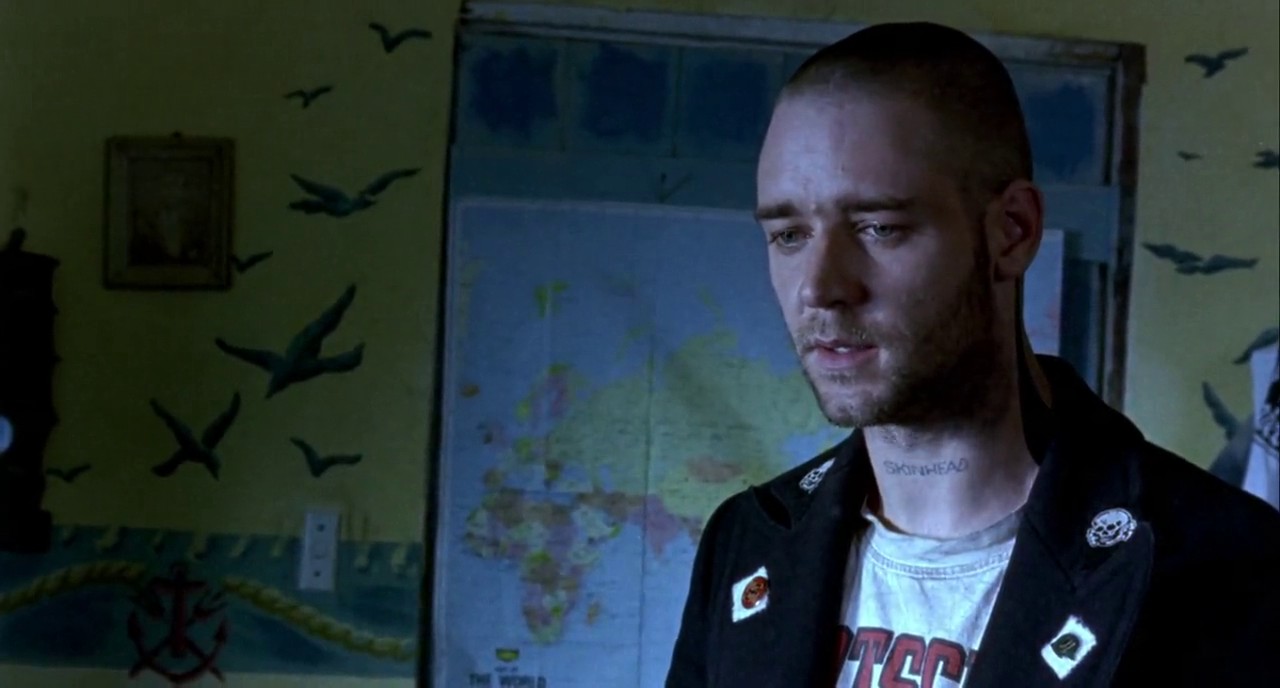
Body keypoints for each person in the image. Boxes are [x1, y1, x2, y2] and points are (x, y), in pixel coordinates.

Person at [665, 21, 1280, 688]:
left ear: (1012, 232)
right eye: (788, 235)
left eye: (878, 227)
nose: (819, 288)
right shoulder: (745, 543)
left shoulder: (1227, 566)